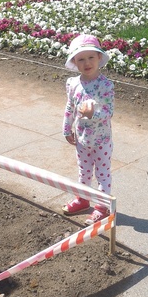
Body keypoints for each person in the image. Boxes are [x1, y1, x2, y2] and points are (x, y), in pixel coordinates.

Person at [61, 34, 114, 224]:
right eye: (81, 59)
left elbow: (109, 111)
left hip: (101, 141)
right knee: (83, 171)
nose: (87, 63)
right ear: (74, 62)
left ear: (99, 57)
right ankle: (83, 199)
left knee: (102, 173)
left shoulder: (105, 85)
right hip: (82, 139)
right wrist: (67, 128)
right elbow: (70, 106)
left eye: (91, 57)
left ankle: (102, 207)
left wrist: (93, 114)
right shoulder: (73, 83)